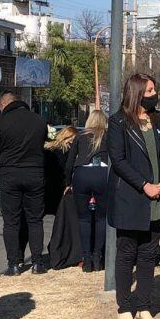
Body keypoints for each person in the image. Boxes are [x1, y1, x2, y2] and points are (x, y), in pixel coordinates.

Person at [107, 74, 160, 319]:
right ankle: (125, 307)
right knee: (127, 253)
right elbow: (119, 160)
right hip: (131, 199)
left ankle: (144, 306)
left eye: (154, 90)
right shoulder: (118, 122)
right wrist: (144, 185)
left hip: (158, 198)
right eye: (149, 90)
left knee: (149, 254)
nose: (153, 94)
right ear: (137, 93)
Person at [0, 91, 48, 276]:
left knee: (11, 222)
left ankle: (14, 264)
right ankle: (37, 263)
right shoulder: (39, 120)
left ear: (2, 105)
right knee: (35, 220)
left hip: (10, 176)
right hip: (35, 174)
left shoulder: (1, 123)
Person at [65, 110, 109, 273]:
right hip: (102, 175)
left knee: (84, 219)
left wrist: (67, 182)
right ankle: (98, 258)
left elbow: (69, 162)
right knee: (101, 219)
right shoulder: (108, 136)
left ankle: (87, 259)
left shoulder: (81, 136)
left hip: (82, 175)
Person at [44, 125, 78, 215]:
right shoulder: (66, 150)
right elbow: (67, 167)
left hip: (46, 185)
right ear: (68, 138)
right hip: (59, 185)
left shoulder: (49, 147)